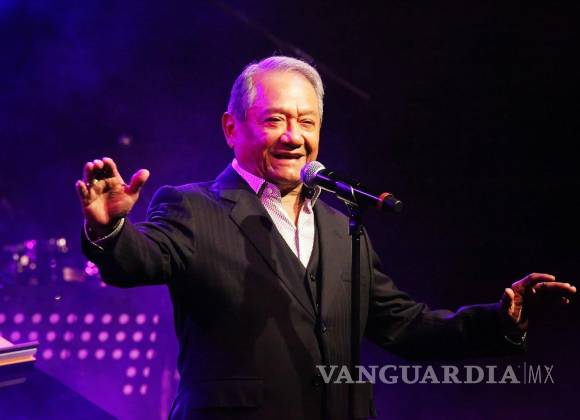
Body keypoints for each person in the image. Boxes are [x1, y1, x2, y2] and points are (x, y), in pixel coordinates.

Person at [77, 56, 575, 420]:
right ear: (232, 128)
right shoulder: (192, 206)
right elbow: (139, 260)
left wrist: (502, 319)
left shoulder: (342, 226)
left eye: (306, 122)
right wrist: (109, 229)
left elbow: (406, 326)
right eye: (274, 119)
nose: (293, 136)